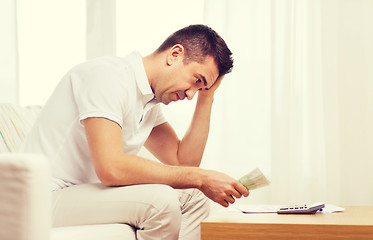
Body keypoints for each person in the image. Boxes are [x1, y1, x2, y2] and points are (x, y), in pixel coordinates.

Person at [20, 24, 249, 240]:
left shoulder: (147, 100)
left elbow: (183, 162)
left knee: (194, 197)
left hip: (78, 194)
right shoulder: (109, 77)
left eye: (200, 88)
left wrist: (207, 95)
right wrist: (201, 178)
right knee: (161, 202)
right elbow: (111, 168)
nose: (191, 95)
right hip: (40, 198)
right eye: (196, 80)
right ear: (175, 54)